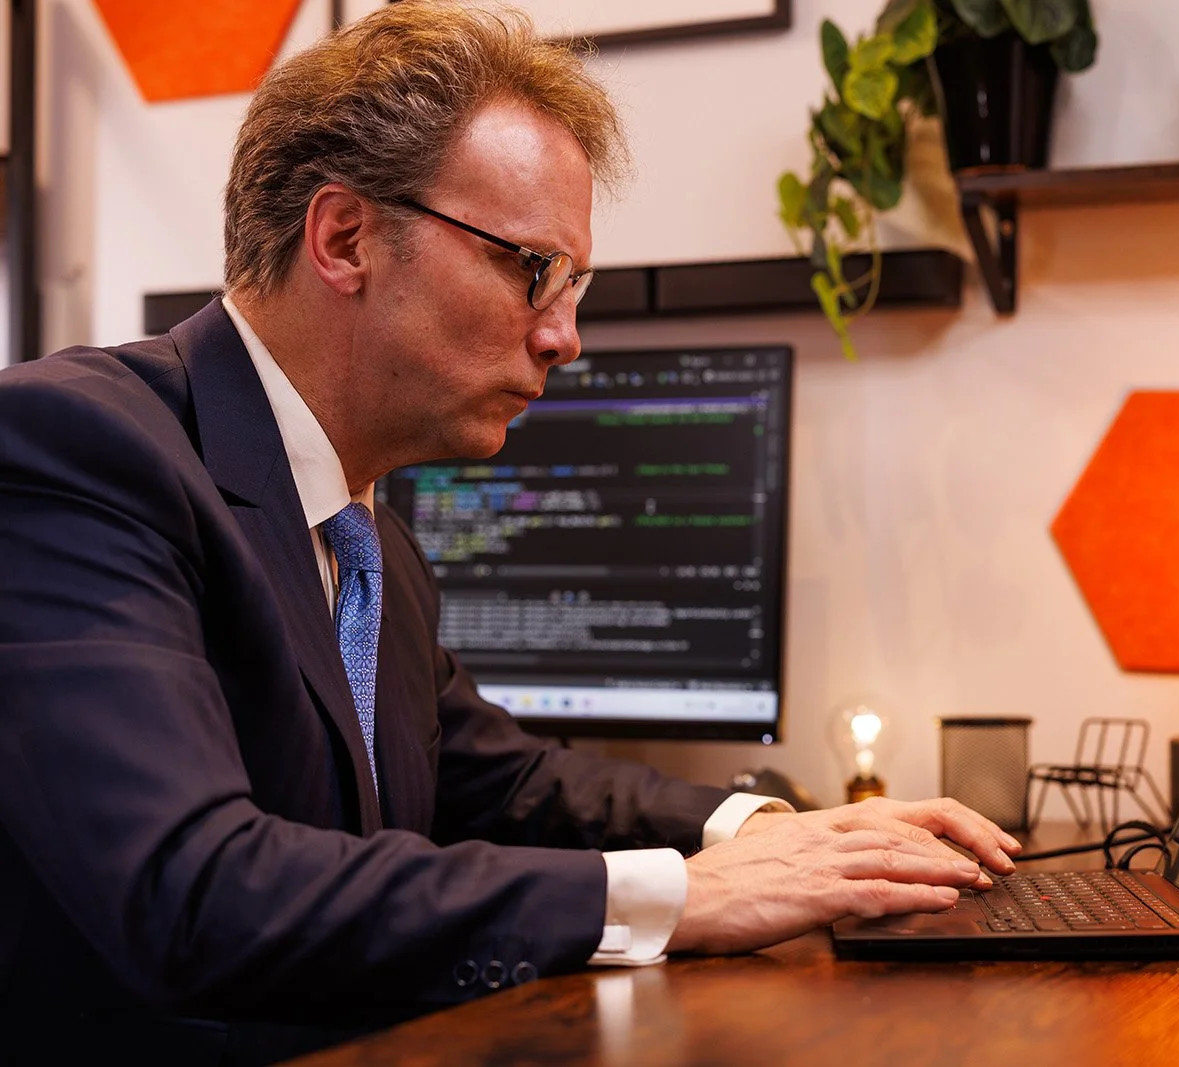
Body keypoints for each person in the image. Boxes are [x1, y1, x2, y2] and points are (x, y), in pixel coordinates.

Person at [0, 3, 1020, 1063]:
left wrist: (760, 831)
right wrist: (676, 893)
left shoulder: (363, 533)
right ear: (344, 236)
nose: (564, 336)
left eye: (573, 285)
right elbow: (196, 890)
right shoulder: (77, 451)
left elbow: (509, 784)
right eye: (531, 268)